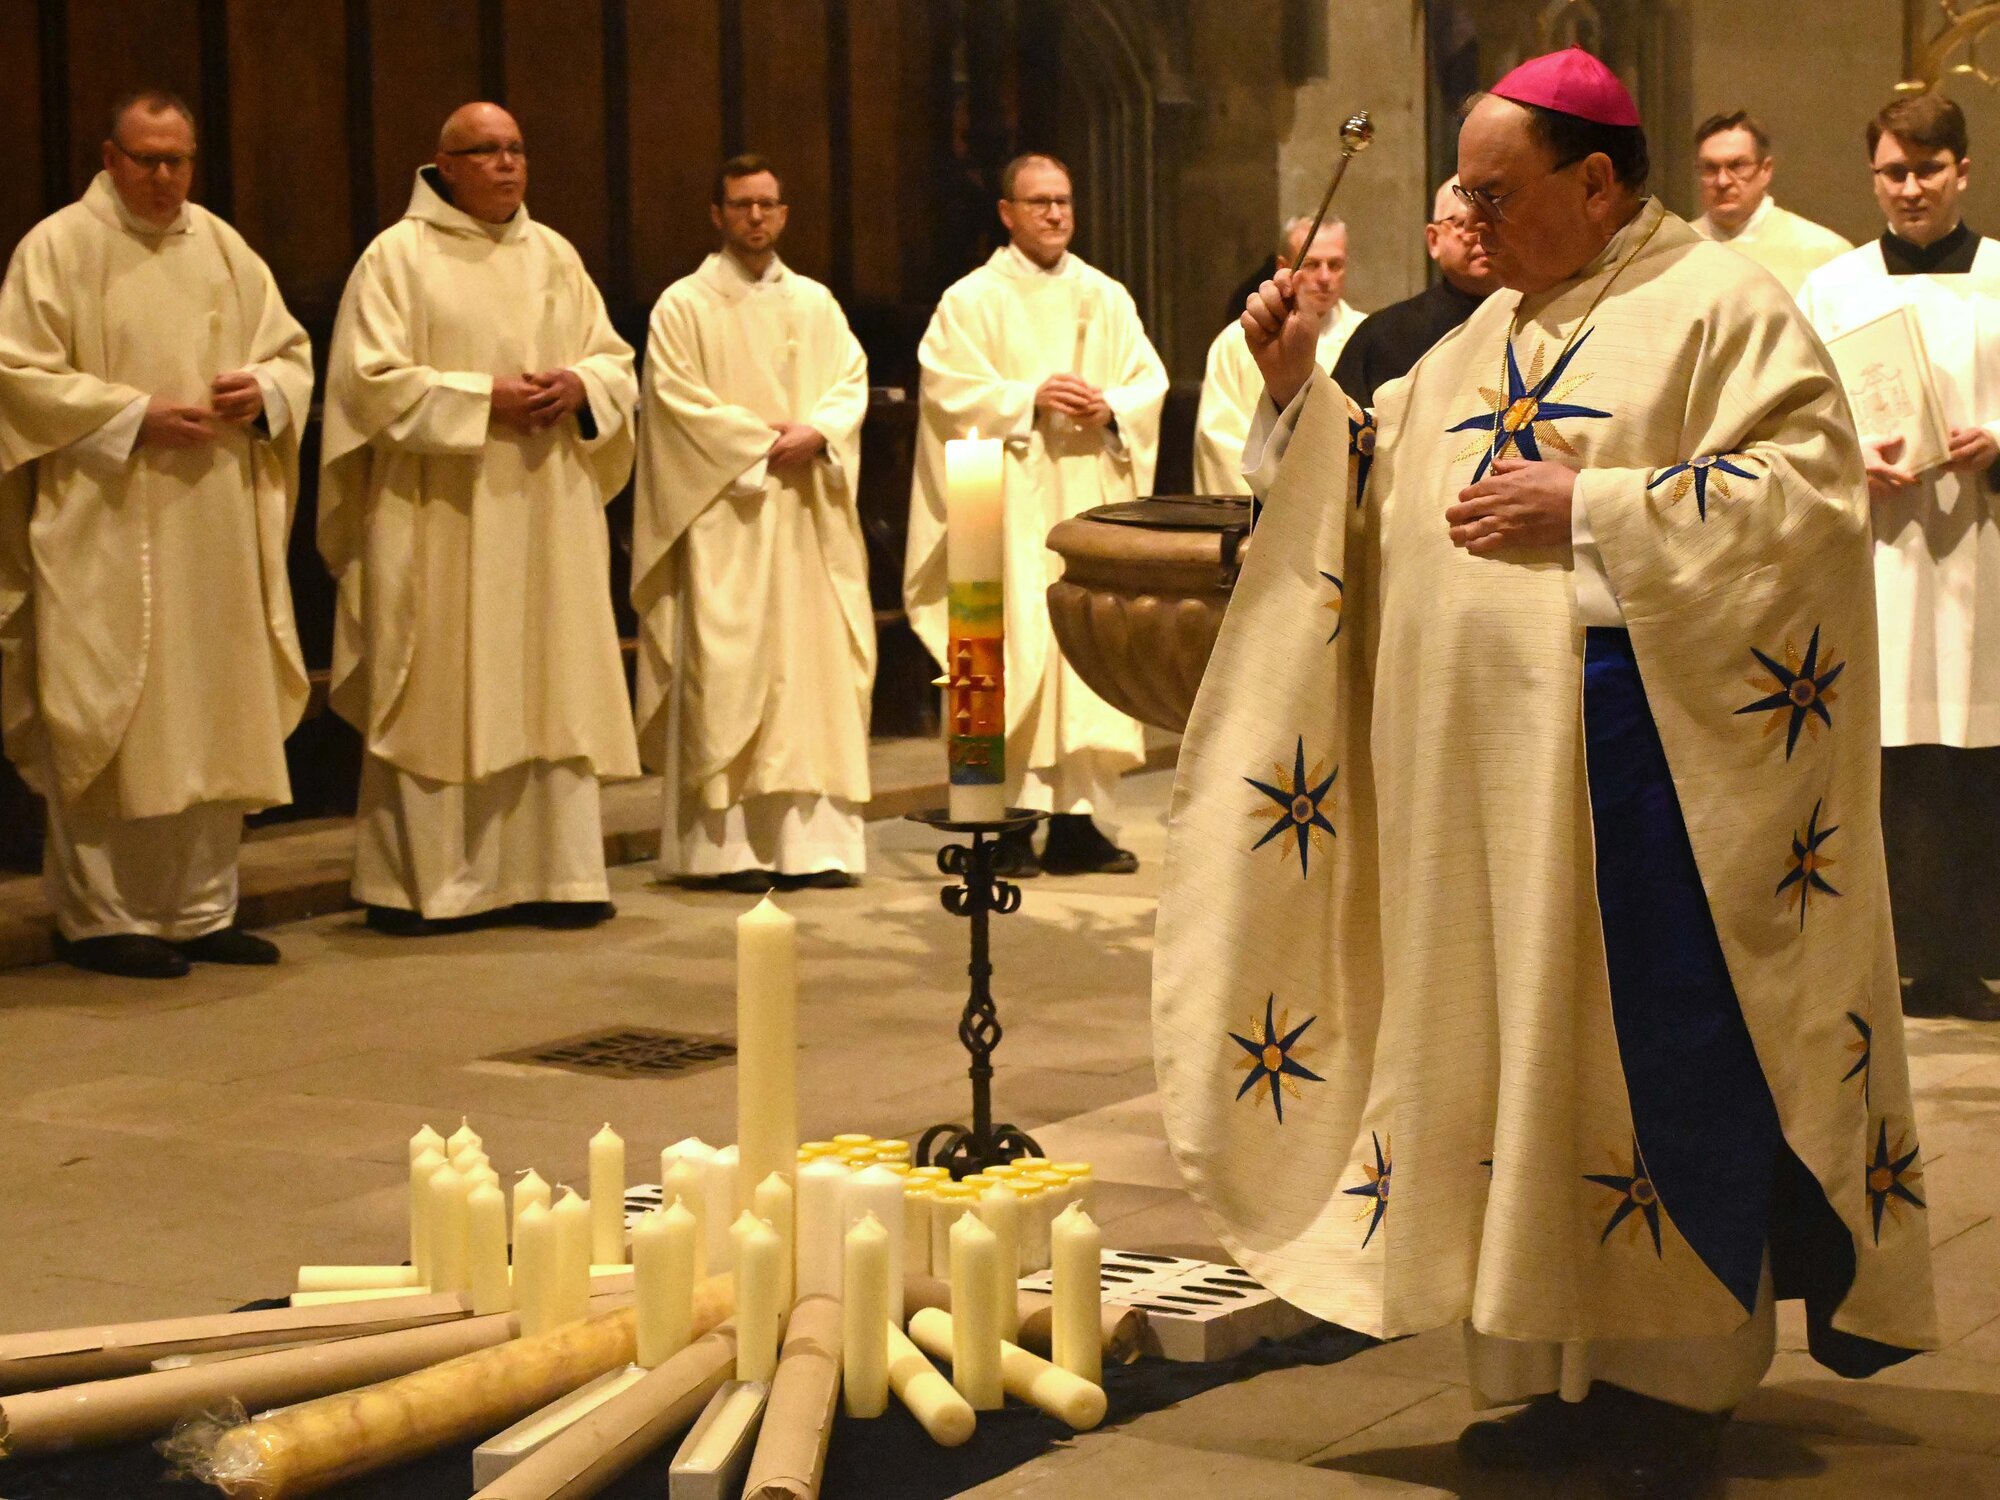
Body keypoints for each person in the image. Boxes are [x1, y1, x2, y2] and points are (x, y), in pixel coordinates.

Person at [1155, 48, 1935, 1500]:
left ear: (1595, 180)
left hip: (1647, 802)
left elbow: (1812, 494)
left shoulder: (1720, 308)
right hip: (1479, 807)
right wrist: (1297, 395)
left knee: (1645, 1068)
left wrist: (1598, 509)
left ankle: (1672, 1385)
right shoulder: (1469, 341)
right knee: (1501, 1070)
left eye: (1496, 191)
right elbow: (1375, 504)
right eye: (1464, 188)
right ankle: (1547, 1373)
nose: (1471, 216)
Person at [0, 90, 313, 979]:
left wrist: (266, 393)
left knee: (213, 707)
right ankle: (100, 918)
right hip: (103, 516)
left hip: (212, 516)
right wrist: (131, 414)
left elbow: (289, 351)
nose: (165, 176)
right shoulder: (58, 247)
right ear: (110, 156)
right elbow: (16, 375)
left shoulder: (220, 245)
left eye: (178, 159)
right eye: (146, 159)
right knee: (112, 710)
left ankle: (202, 908)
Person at [319, 102, 640, 935]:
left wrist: (582, 386)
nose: (506, 165)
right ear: (445, 164)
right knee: (439, 684)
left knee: (547, 678)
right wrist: (481, 399)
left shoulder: (554, 255)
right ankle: (430, 886)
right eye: (486, 151)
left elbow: (614, 359)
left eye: (516, 150)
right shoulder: (396, 258)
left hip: (542, 507)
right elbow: (368, 383)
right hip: (441, 511)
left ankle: (557, 874)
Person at [904, 152, 1168, 877]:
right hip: (999, 505)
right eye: (1039, 201)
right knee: (1004, 653)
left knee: (1083, 652)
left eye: (1064, 200)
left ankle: (1080, 823)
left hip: (1085, 496)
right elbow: (947, 393)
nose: (1055, 213)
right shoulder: (970, 300)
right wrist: (1028, 399)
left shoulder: (1105, 296)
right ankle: (998, 828)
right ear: (1007, 213)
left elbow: (1148, 381)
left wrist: (1111, 406)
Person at [1798, 93, 2000, 1021]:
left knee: (1977, 757)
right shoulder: (1832, 290)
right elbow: (1791, 422)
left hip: (1983, 551)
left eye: (1927, 169)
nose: (1910, 188)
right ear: (1873, 176)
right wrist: (1849, 462)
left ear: (1962, 169)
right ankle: (1897, 960)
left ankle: (1972, 957)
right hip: (1879, 551)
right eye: (1892, 171)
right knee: (1892, 761)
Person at [632, 154, 872, 894]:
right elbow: (674, 406)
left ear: (785, 213)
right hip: (726, 516)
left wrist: (821, 433)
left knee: (811, 678)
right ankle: (723, 850)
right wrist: (759, 444)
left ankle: (814, 847)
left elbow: (850, 384)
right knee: (728, 672)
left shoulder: (816, 304)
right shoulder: (682, 305)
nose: (757, 218)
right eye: (742, 205)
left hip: (806, 520)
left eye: (769, 204)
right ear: (717, 214)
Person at [1193, 216, 1364, 494]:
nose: (1324, 278)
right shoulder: (1235, 343)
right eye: (1311, 264)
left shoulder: (1367, 335)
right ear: (1285, 268)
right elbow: (1219, 441)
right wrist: (1283, 496)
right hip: (1263, 512)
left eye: (1335, 265)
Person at [1332, 177, 1503, 408]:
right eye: (1464, 223)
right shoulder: (1383, 335)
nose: (1480, 234)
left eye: (1491, 220)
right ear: (1434, 240)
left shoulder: (1540, 318)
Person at [1692, 110, 1851, 296]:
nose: (1722, 181)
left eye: (1737, 166)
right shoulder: (1673, 251)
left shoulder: (1824, 252)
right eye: (1710, 168)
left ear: (1765, 170)